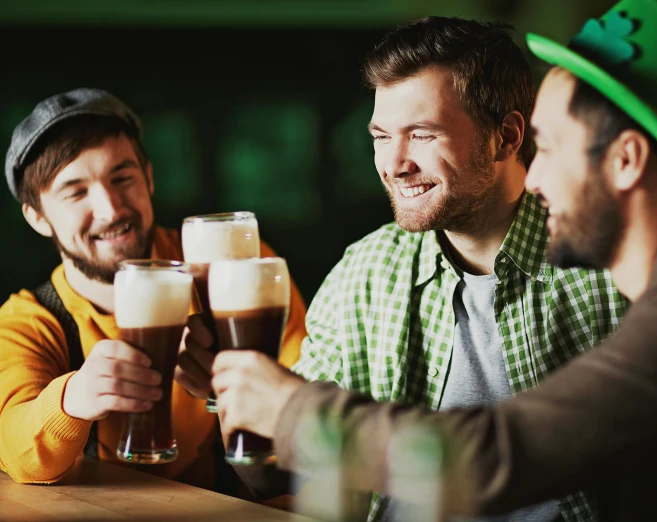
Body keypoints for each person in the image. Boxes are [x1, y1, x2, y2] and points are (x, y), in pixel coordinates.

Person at [211, 1, 657, 521]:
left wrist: (292, 407)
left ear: (627, 160)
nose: (534, 176)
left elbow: (491, 457)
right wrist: (245, 411)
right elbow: (289, 478)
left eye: (551, 146)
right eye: (381, 136)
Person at [183, 16, 626, 522]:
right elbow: (281, 477)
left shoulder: (607, 268)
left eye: (421, 134)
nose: (393, 163)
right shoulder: (366, 271)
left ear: (505, 137)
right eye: (380, 135)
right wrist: (233, 398)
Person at [0, 88, 308, 494]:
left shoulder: (231, 265)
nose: (110, 209)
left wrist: (241, 391)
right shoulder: (30, 319)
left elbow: (311, 403)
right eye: (76, 192)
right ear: (38, 217)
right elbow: (15, 449)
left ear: (148, 177)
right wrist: (71, 399)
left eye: (122, 178)